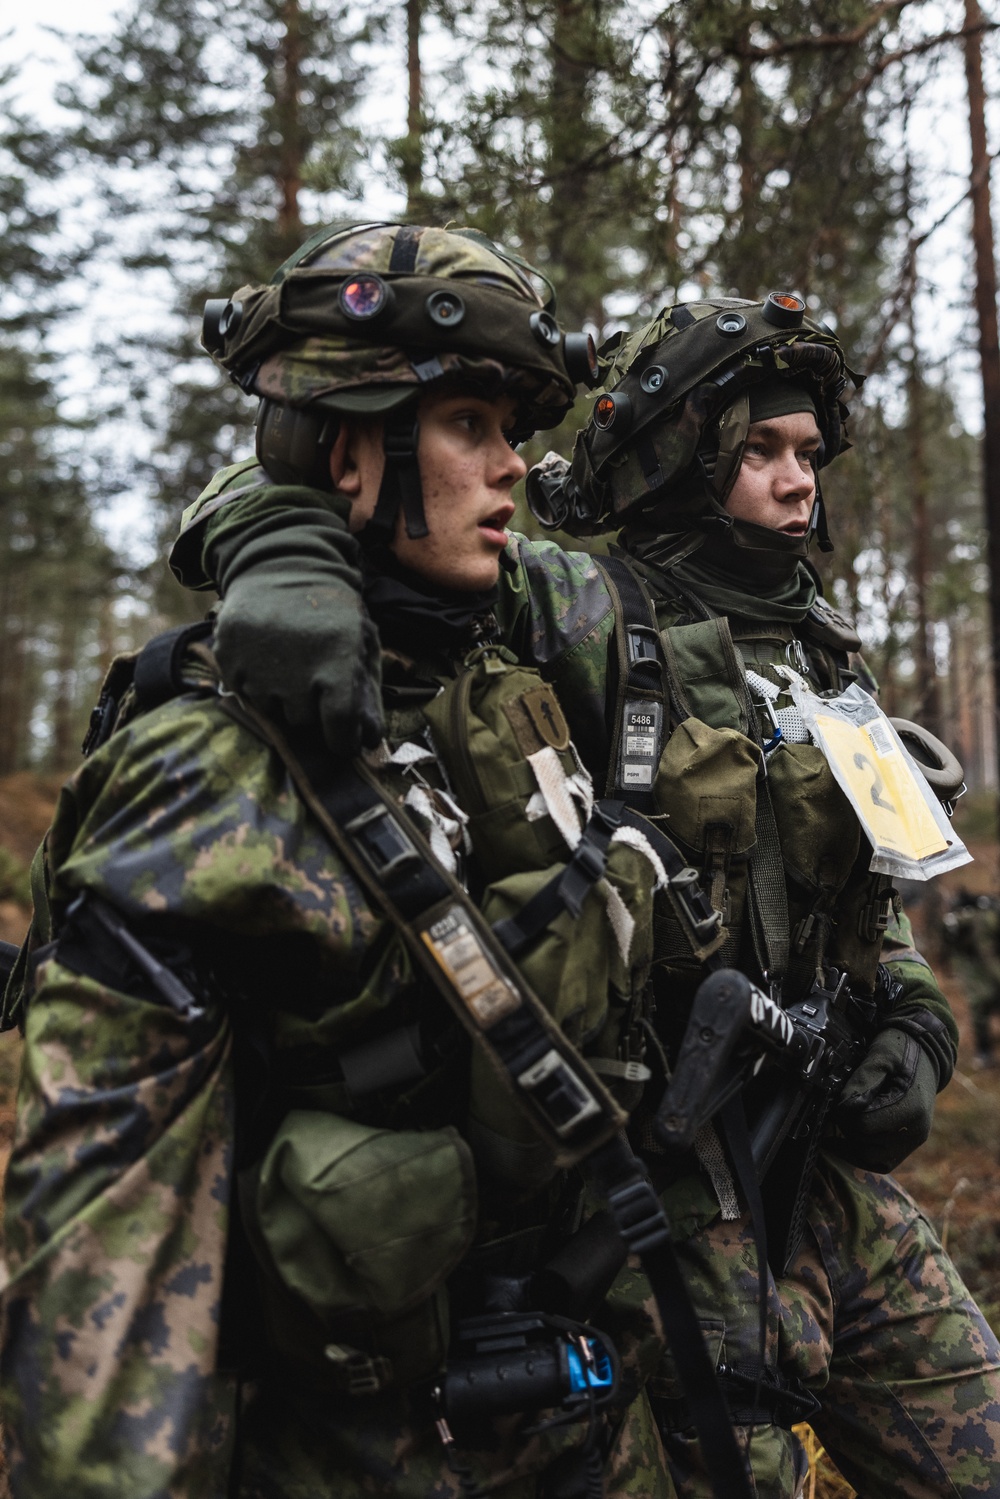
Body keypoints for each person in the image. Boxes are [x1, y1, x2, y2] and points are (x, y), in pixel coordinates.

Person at [172, 284, 1000, 1497]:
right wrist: (282, 554)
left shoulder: (826, 651)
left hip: (824, 1161)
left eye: (808, 452)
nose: (795, 480)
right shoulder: (580, 607)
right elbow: (322, 498)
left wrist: (918, 1028)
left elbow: (868, 902)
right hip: (658, 1184)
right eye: (760, 449)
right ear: (679, 455)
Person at [0, 223, 676, 1499]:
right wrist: (283, 526)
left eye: (509, 427)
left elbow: (670, 579)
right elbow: (107, 1274)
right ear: (353, 451)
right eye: (469, 423)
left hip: (583, 1420)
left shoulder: (510, 654)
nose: (511, 466)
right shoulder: (206, 773)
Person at [943, 889, 1000, 1067]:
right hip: (972, 964)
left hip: (979, 963)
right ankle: (983, 1053)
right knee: (981, 1003)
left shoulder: (990, 915)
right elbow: (986, 953)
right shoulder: (984, 919)